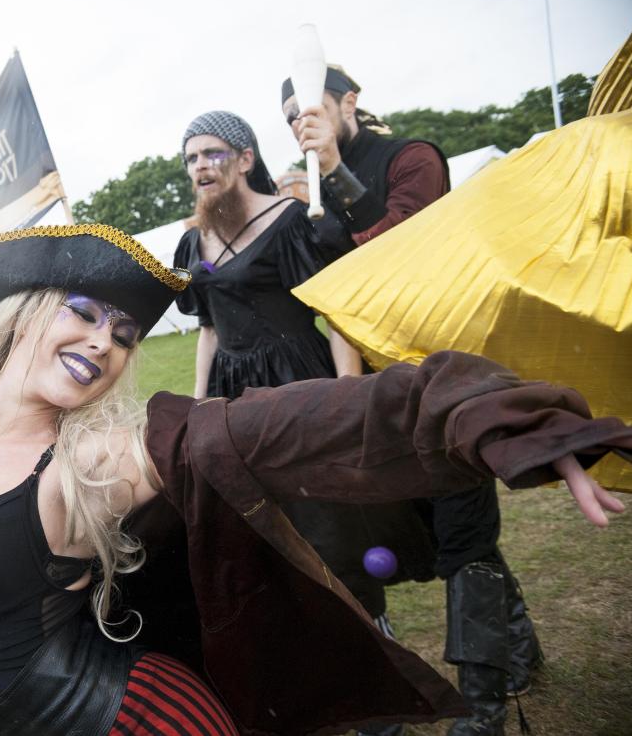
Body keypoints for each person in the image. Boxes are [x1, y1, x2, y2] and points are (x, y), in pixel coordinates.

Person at [0, 0, 632, 736]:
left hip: (140, 721)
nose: (105, 342)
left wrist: (480, 411)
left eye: (126, 336)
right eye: (86, 314)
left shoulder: (96, 460)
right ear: (20, 317)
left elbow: (300, 426)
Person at [283, 66, 542, 734]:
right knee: (435, 531)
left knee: (463, 530)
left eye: (309, 108)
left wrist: (336, 169)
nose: (300, 124)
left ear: (349, 101)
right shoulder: (309, 187)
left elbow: (402, 250)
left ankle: (482, 710)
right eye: (289, 117)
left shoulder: (414, 156)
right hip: (378, 387)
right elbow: (329, 288)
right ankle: (520, 647)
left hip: (445, 372)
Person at [173, 110, 435, 736]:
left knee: (332, 529)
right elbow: (209, 328)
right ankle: (313, 665)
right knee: (265, 532)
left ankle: (375, 664)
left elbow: (334, 309)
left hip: (300, 384)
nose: (200, 167)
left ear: (244, 158)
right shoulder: (193, 242)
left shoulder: (290, 223)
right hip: (236, 401)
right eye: (189, 159)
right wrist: (200, 401)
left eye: (212, 154)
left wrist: (348, 397)